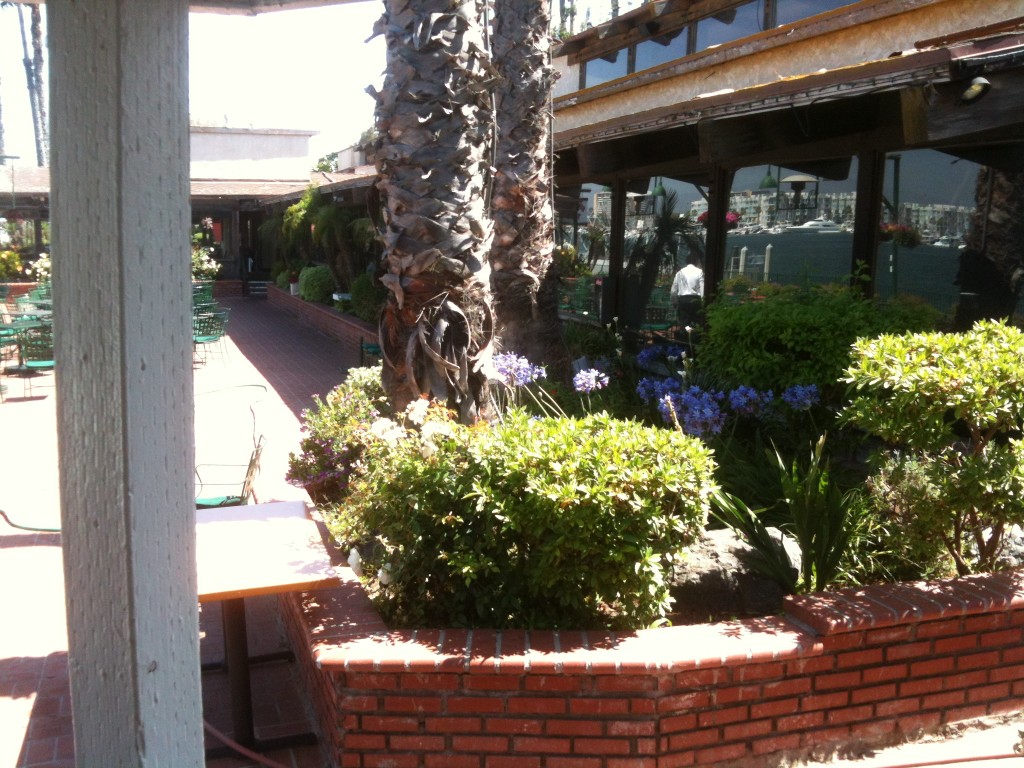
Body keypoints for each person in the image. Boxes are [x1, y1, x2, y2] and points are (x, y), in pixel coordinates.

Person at [670, 255, 703, 329]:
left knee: (684, 323)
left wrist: (674, 302)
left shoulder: (679, 273)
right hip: (695, 300)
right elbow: (702, 289)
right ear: (696, 262)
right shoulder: (700, 272)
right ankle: (695, 337)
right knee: (696, 322)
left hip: (683, 300)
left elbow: (673, 290)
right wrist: (703, 302)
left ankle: (684, 337)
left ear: (686, 262)